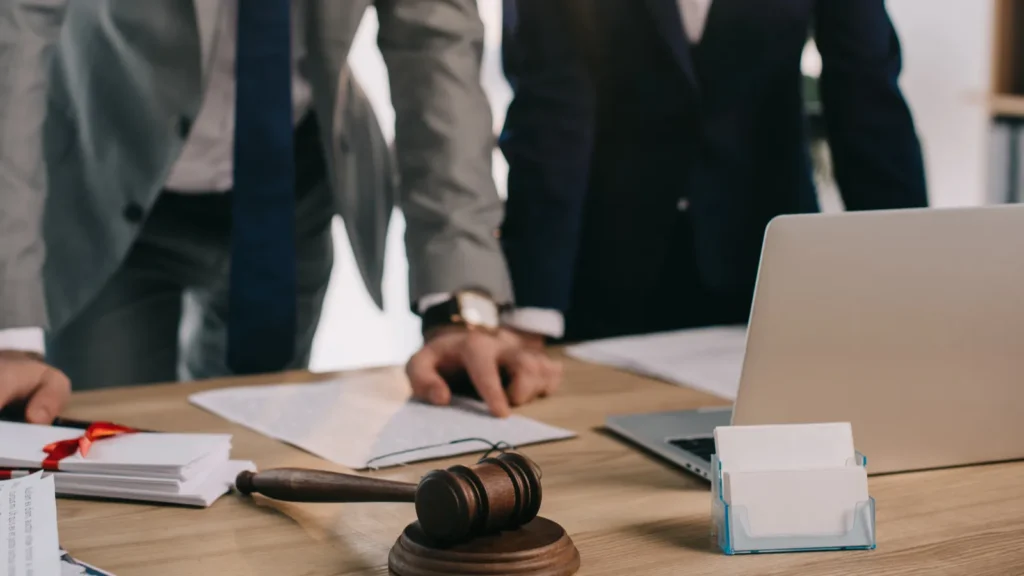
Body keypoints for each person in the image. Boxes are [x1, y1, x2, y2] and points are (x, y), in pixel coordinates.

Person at [0, 0, 559, 424]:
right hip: (104, 182)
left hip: (288, 194)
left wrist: (459, 309)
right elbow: (13, 39)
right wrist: (8, 332)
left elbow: (436, 48)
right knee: (104, 449)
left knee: (254, 446)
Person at [497, 0, 929, 344]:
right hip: (598, 262)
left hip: (766, 257)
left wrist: (904, 278)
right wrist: (532, 308)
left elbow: (865, 92)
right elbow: (549, 107)